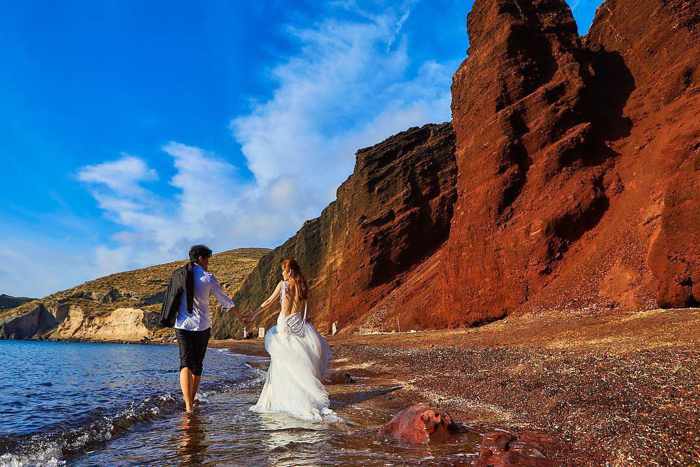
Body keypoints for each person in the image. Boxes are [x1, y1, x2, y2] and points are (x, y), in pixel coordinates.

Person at [249, 258, 333, 421]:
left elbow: (268, 302)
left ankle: (282, 399)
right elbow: (305, 309)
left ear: (289, 271)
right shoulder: (302, 285)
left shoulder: (283, 285)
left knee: (282, 362)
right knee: (298, 361)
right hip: (299, 324)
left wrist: (253, 315)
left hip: (284, 325)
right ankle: (303, 397)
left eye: (283, 270)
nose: (282, 273)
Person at [162, 245, 236, 413]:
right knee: (197, 366)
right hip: (202, 326)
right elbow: (223, 300)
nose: (208, 262)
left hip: (182, 325)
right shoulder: (208, 278)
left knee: (185, 363)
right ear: (201, 258)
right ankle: (191, 401)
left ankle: (188, 406)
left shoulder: (178, 274)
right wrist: (239, 314)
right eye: (208, 258)